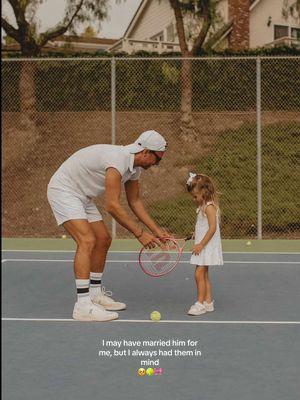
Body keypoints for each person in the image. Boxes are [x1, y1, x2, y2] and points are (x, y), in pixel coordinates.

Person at [47, 130, 168, 322]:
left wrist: (157, 231)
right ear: (145, 152)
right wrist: (140, 234)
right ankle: (83, 306)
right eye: (157, 159)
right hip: (64, 190)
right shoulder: (117, 161)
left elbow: (134, 201)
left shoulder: (134, 168)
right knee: (87, 240)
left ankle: (95, 295)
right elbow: (111, 205)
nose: (156, 164)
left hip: (82, 195)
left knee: (103, 239)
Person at [186, 173, 223, 316]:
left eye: (195, 196)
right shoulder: (203, 206)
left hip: (206, 246)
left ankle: (200, 304)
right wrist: (195, 234)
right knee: (204, 274)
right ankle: (208, 302)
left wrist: (201, 244)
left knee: (198, 274)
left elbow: (213, 227)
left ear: (204, 192)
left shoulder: (209, 207)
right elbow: (204, 226)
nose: (194, 199)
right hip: (202, 244)